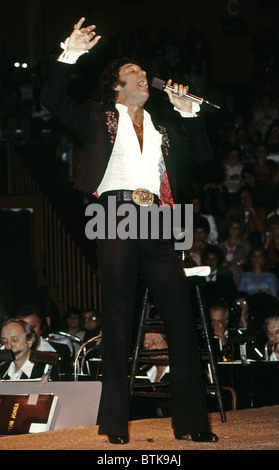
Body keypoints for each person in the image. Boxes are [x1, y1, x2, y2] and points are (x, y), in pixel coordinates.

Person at [42, 17, 218, 444]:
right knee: (118, 318)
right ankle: (115, 426)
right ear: (117, 88)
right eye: (134, 74)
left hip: (158, 216)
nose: (144, 77)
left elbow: (203, 155)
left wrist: (187, 111)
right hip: (116, 213)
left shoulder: (163, 126)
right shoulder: (98, 116)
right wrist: (71, 54)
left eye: (143, 72)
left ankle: (193, 424)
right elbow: (51, 98)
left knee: (180, 318)